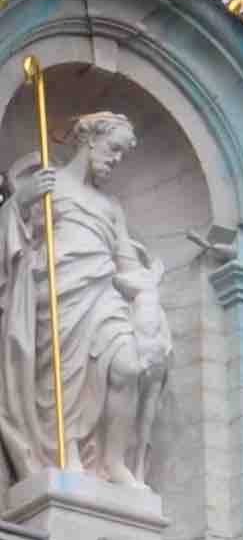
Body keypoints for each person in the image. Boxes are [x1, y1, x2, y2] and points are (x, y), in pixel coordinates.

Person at [0, 104, 172, 489]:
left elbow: (125, 261)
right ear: (90, 140)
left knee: (128, 365)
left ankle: (113, 462)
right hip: (56, 291)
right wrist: (21, 200)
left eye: (122, 154)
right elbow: (12, 233)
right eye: (112, 149)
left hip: (104, 292)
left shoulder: (111, 207)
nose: (116, 160)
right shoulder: (49, 183)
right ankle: (67, 451)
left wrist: (149, 289)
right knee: (62, 375)